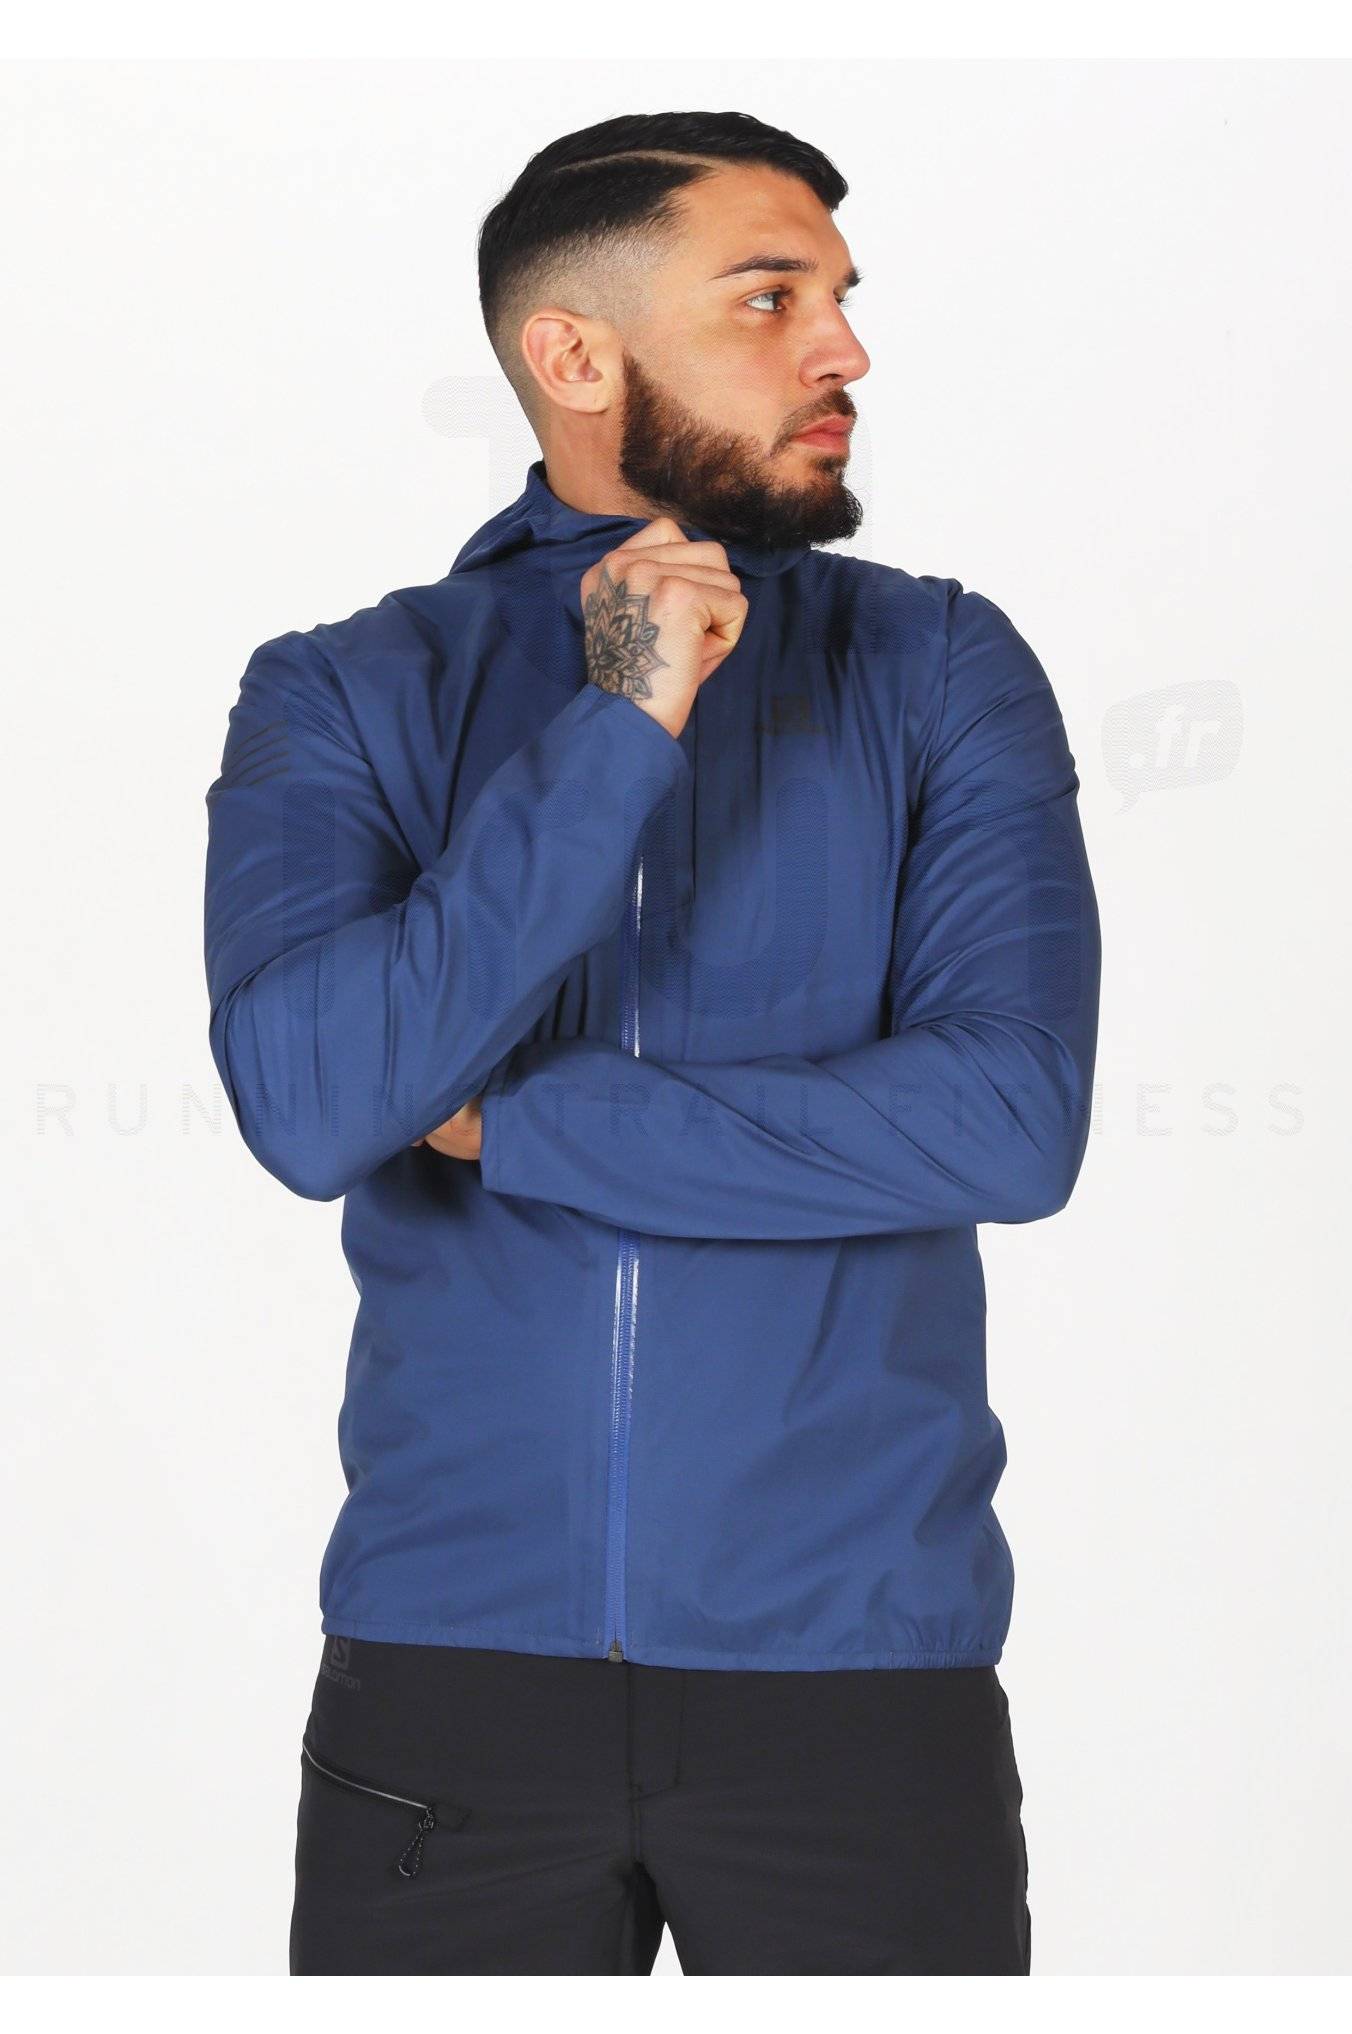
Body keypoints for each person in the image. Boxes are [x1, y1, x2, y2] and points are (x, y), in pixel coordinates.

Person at [203, 108, 1100, 1975]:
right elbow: (311, 1104)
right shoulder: (347, 690)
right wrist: (619, 721)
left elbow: (1009, 1120)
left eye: (840, 296)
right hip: (449, 1685)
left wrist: (519, 1126)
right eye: (770, 299)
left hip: (861, 1686)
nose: (845, 349)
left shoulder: (941, 666)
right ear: (575, 354)